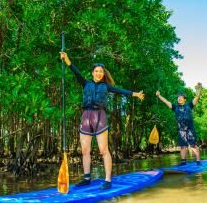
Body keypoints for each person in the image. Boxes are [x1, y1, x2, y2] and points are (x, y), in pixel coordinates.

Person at [60, 52, 144, 190]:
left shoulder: (106, 86)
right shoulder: (85, 83)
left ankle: (108, 180)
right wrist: (66, 58)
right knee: (85, 150)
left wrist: (135, 94)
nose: (99, 73)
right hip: (86, 116)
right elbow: (75, 71)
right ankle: (87, 178)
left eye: (101, 72)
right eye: (96, 71)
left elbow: (121, 91)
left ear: (103, 74)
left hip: (100, 116)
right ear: (92, 73)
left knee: (103, 150)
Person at [156, 83, 203, 166]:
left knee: (193, 145)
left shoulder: (189, 105)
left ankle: (198, 161)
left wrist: (199, 88)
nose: (179, 99)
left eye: (181, 98)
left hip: (190, 129)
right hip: (181, 130)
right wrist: (159, 96)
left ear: (184, 99)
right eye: (178, 98)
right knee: (183, 146)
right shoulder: (175, 107)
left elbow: (197, 97)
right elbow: (166, 101)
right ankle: (183, 161)